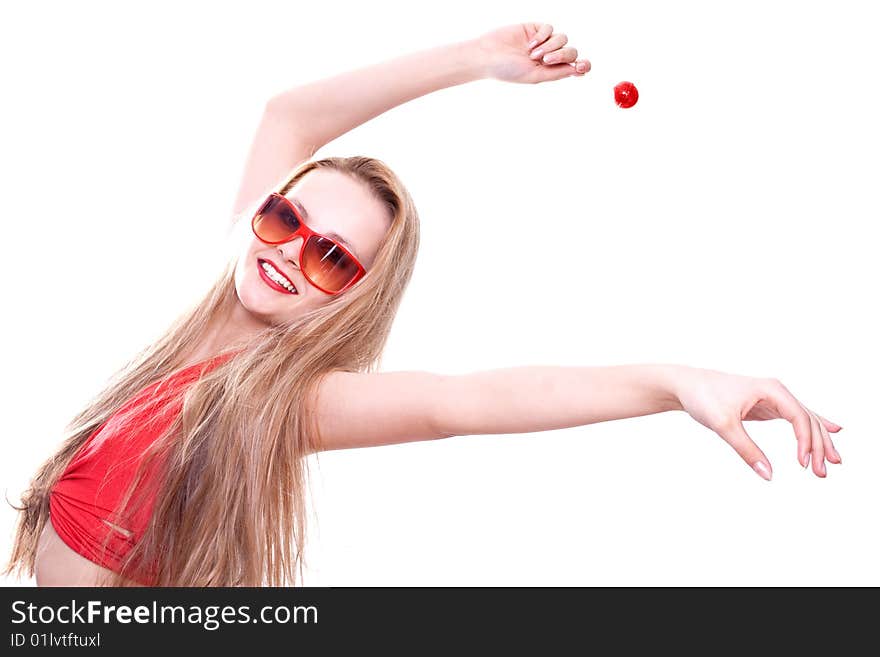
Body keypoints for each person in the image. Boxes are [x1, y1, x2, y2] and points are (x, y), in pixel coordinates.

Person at [5, 22, 842, 587]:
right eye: (285, 217)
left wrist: (676, 379)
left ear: (351, 303)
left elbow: (460, 402)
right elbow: (289, 114)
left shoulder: (279, 399)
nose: (292, 252)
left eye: (332, 257)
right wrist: (482, 56)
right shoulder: (208, 305)